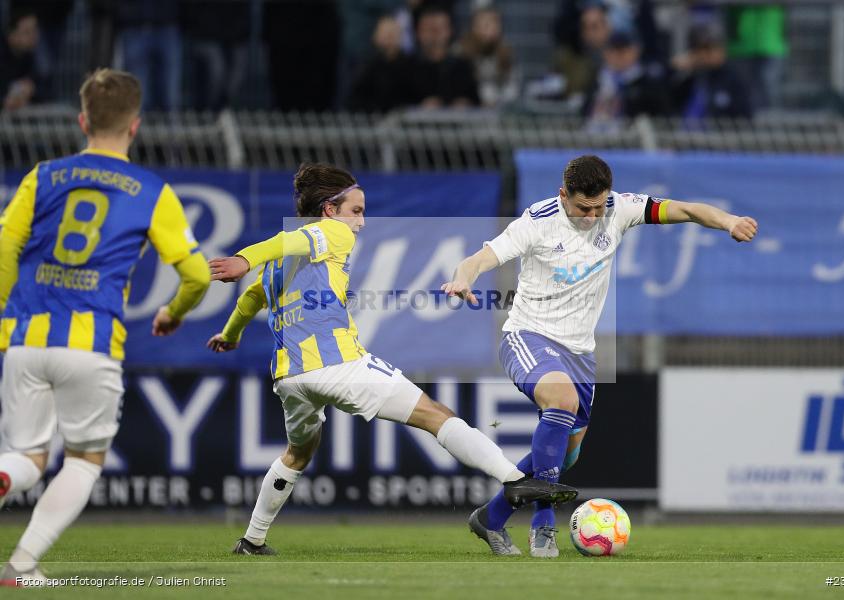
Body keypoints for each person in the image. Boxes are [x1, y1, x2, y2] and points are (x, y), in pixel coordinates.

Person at [206, 163, 577, 555]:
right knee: (435, 415)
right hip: (338, 365)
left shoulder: (283, 259)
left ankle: (252, 540)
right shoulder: (330, 233)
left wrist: (229, 334)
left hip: (289, 379)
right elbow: (279, 244)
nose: (362, 222)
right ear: (330, 210)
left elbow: (250, 299)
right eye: (356, 210)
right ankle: (515, 480)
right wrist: (244, 260)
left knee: (298, 453)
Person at [441, 155, 757, 557]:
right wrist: (462, 280)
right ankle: (543, 527)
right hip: (529, 336)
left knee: (565, 454)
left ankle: (492, 517)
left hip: (580, 353)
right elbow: (480, 258)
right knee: (562, 401)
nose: (592, 217)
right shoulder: (536, 221)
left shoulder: (618, 209)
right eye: (582, 208)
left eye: (598, 207)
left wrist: (728, 221)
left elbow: (686, 209)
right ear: (562, 196)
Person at [0, 69, 210, 585]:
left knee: (27, 457)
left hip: (26, 338)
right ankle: (20, 566)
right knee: (84, 460)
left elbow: (5, 248)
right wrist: (174, 312)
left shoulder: (42, 176)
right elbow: (198, 273)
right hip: (91, 345)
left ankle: (5, 477)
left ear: (81, 120)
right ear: (135, 126)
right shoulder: (150, 190)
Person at [671, 23, 753, 120]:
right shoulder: (691, 79)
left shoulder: (734, 80)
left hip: (721, 132)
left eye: (709, 48)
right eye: (700, 49)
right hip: (683, 132)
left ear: (721, 50)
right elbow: (667, 105)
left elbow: (744, 116)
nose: (704, 54)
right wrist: (673, 70)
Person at [587, 29, 671, 122]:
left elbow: (665, 116)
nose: (617, 55)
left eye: (623, 50)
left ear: (636, 51)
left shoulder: (649, 82)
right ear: (605, 53)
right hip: (591, 133)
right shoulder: (598, 79)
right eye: (612, 50)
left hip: (631, 134)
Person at [408, 4, 480, 108]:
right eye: (430, 29)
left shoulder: (463, 67)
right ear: (418, 32)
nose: (435, 35)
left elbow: (477, 102)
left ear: (450, 31)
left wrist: (466, 104)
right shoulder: (407, 67)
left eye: (440, 29)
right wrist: (419, 107)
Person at [348, 14, 414, 113]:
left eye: (393, 34)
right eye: (385, 34)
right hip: (372, 121)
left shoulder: (411, 65)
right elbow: (354, 100)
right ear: (375, 37)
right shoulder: (365, 66)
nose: (389, 39)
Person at [457, 5, 519, 108]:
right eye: (485, 24)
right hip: (468, 113)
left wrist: (497, 102)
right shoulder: (461, 52)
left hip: (497, 112)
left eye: (495, 24)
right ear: (473, 27)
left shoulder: (506, 53)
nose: (490, 29)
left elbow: (512, 89)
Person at [0, 9, 42, 112]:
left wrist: (31, 89)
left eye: (35, 30)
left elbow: (45, 89)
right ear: (12, 36)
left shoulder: (29, 56)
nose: (33, 36)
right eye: (27, 32)